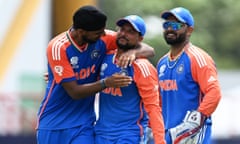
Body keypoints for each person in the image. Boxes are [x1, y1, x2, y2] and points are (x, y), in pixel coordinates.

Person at [36, 5, 155, 144]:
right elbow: (74, 92)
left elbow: (148, 49)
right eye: (98, 32)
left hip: (84, 123)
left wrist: (133, 52)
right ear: (81, 32)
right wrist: (106, 83)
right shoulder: (58, 47)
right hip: (53, 122)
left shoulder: (102, 38)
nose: (104, 35)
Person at [94, 15, 166, 144]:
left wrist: (160, 141)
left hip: (129, 134)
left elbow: (154, 108)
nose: (124, 34)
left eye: (130, 32)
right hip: (101, 133)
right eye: (122, 29)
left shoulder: (142, 67)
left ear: (140, 39)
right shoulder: (105, 57)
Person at [156, 7, 222, 144]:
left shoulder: (197, 58)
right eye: (167, 25)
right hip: (168, 135)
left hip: (193, 135)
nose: (170, 29)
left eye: (176, 25)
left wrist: (197, 118)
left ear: (189, 30)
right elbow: (159, 101)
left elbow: (214, 92)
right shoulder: (162, 63)